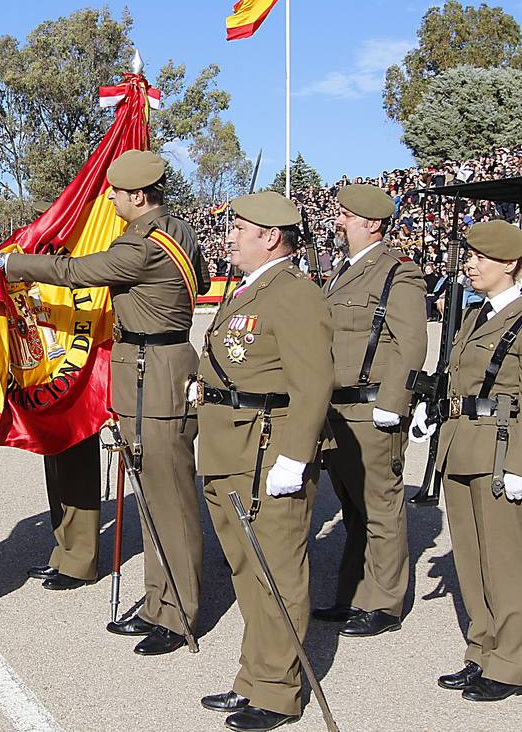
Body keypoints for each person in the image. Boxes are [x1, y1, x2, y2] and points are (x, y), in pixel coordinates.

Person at [0, 149, 210, 655]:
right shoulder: (181, 232)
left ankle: (179, 613)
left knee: (169, 501)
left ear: (138, 196)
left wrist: (6, 262)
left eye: (117, 195)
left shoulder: (142, 246)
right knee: (152, 500)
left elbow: (78, 272)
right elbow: (204, 280)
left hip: (156, 374)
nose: (112, 202)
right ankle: (157, 603)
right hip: (150, 369)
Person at [192, 191, 333, 732]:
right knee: (248, 571)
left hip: (265, 452)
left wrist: (295, 457)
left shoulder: (293, 294)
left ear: (271, 236)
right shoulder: (249, 289)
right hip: (229, 449)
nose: (228, 235)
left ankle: (277, 692)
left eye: (239, 228)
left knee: (276, 570)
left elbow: (313, 383)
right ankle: (254, 677)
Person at [409, 220, 522, 702]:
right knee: (471, 563)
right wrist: (431, 411)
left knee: (506, 563)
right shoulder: (473, 316)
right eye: (469, 256)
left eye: (480, 257)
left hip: (498, 453)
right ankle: (482, 651)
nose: (469, 265)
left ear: (510, 264)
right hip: (459, 446)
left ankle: (510, 665)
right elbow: (456, 378)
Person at [313, 185, 427, 638]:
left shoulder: (398, 273)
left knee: (380, 507)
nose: (337, 221)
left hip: (371, 407)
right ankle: (353, 595)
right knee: (353, 508)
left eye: (346, 215)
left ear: (373, 223)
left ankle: (384, 603)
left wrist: (394, 404)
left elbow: (411, 343)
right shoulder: (341, 271)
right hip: (336, 408)